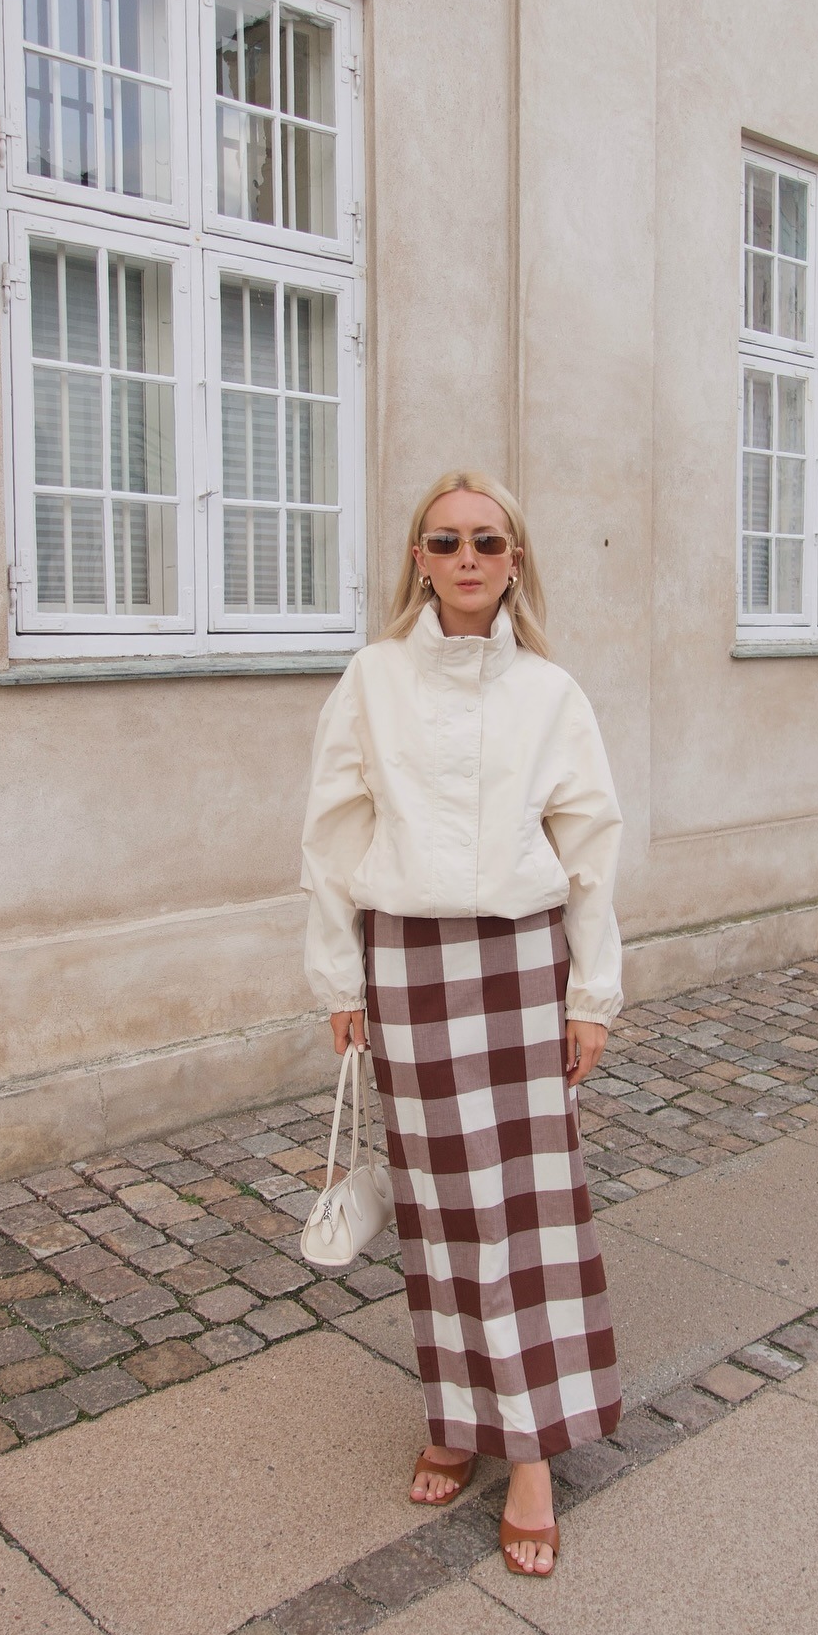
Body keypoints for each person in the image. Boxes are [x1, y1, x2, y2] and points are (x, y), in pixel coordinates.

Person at [300, 468, 624, 1578]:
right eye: (447, 541)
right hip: (411, 965)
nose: (469, 557)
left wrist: (593, 994)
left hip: (521, 959)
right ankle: (453, 1411)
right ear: (420, 560)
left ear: (515, 559)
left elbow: (592, 850)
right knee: (438, 1211)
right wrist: (339, 980)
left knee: (527, 1211)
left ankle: (529, 1446)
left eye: (489, 540)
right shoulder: (372, 679)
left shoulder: (551, 694)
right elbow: (333, 832)